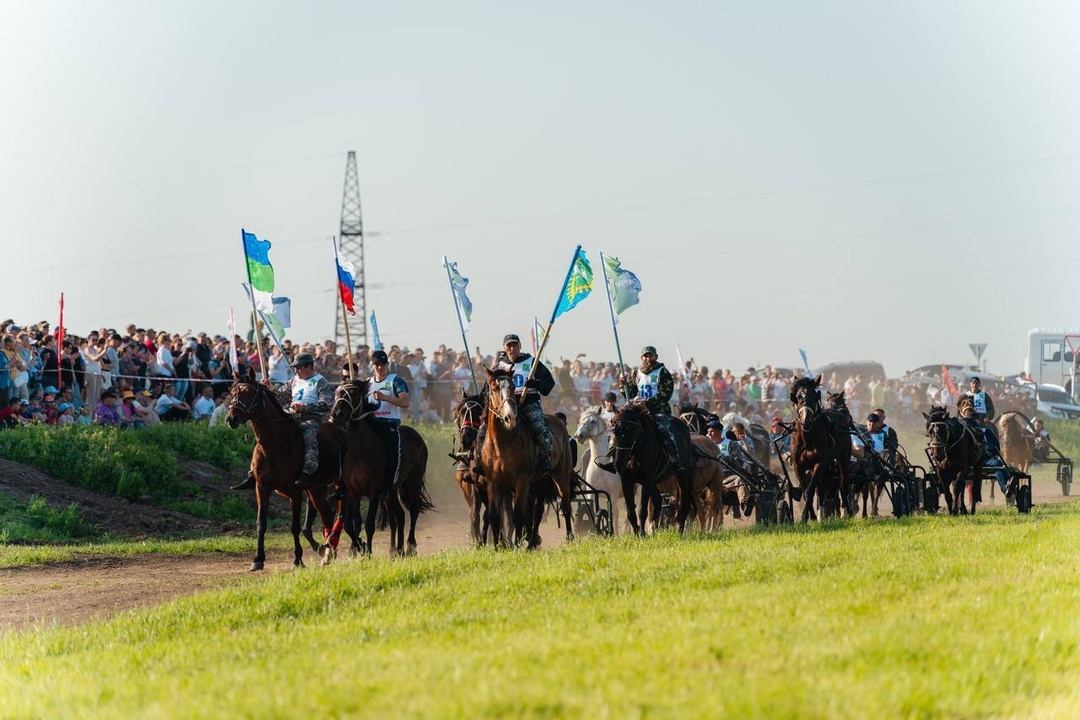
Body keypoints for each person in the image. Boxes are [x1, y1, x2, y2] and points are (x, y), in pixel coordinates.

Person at [471, 333, 556, 476]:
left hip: (528, 403)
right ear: (504, 348)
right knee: (482, 430)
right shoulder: (499, 366)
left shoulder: (532, 362)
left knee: (539, 427)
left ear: (520, 346)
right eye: (508, 346)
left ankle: (544, 458)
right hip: (503, 406)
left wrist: (535, 383)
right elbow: (487, 390)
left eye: (514, 345)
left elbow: (549, 385)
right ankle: (480, 462)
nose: (512, 349)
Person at [599, 345, 684, 476]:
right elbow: (631, 392)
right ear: (641, 358)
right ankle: (613, 459)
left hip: (657, 409)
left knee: (664, 431)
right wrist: (624, 385)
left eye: (650, 356)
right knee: (619, 427)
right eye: (645, 356)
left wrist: (648, 402)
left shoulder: (663, 372)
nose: (648, 358)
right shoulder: (636, 372)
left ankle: (675, 461)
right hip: (637, 408)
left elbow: (666, 393)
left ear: (655, 357)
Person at [361, 349, 411, 494]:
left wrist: (385, 397)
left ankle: (388, 485)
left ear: (387, 364)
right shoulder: (367, 384)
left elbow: (405, 402)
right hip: (371, 424)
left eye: (383, 364)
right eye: (377, 364)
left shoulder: (396, 381)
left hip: (389, 422)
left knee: (392, 451)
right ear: (372, 365)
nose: (380, 367)